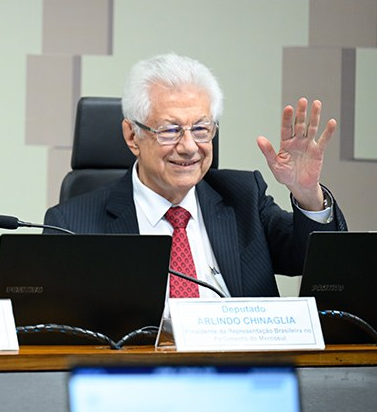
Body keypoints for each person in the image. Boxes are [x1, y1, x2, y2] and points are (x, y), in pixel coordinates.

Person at [44, 53, 347, 298]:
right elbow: (60, 331)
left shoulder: (244, 198)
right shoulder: (73, 225)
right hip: (139, 371)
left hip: (245, 368)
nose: (189, 147)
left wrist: (307, 193)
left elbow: (319, 264)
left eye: (201, 129)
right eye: (169, 130)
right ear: (132, 136)